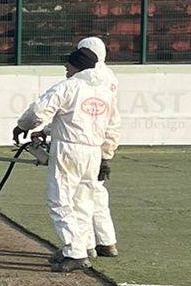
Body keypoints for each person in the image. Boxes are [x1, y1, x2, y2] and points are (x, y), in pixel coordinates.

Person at [13, 41, 120, 271]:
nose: (65, 66)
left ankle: (74, 251)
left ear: (78, 66)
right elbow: (112, 127)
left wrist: (23, 127)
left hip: (68, 150)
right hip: (93, 152)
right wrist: (106, 155)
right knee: (83, 201)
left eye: (68, 63)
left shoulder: (68, 87)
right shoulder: (104, 92)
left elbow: (39, 111)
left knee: (59, 200)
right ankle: (81, 246)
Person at [73, 35, 119, 258]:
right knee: (98, 193)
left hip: (83, 142)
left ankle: (85, 245)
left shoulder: (85, 79)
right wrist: (107, 154)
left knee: (81, 196)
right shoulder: (110, 76)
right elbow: (113, 121)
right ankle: (107, 241)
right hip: (100, 141)